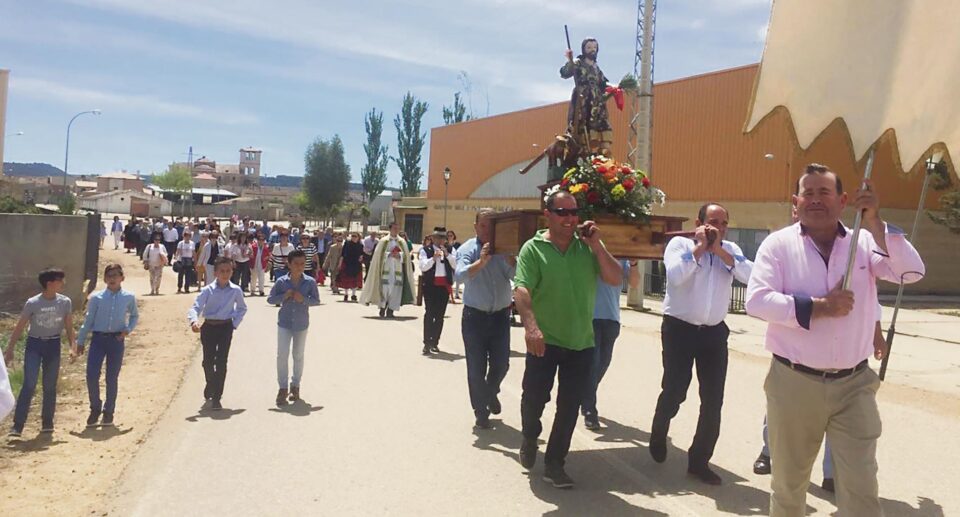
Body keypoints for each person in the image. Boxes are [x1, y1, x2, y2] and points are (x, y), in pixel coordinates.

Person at [745, 164, 924, 516]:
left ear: (843, 200)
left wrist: (875, 222)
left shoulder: (866, 242)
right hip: (794, 383)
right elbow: (757, 301)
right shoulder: (778, 245)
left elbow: (910, 272)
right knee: (789, 488)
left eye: (824, 192)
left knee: (861, 488)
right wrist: (819, 306)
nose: (815, 200)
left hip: (854, 385)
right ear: (795, 202)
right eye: (807, 193)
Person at [513, 191, 622, 488]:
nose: (570, 218)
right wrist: (531, 327)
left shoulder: (587, 249)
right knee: (534, 399)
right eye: (562, 212)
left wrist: (597, 246)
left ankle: (555, 464)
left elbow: (615, 278)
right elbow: (521, 290)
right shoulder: (533, 249)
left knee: (569, 405)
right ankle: (530, 435)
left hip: (581, 343)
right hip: (543, 341)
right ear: (547, 214)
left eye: (574, 212)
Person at [648, 203, 753, 485]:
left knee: (713, 398)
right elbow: (675, 277)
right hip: (679, 330)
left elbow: (751, 277)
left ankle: (699, 460)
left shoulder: (729, 250)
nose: (718, 228)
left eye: (723, 223)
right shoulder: (679, 244)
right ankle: (659, 428)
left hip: (714, 334)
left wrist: (718, 250)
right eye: (712, 222)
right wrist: (699, 248)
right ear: (699, 222)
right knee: (675, 389)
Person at [454, 209, 516, 430]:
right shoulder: (468, 249)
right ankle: (481, 412)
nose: (487, 229)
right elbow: (459, 276)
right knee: (476, 367)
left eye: (492, 225)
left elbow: (516, 277)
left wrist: (513, 261)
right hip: (475, 317)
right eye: (483, 225)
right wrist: (481, 262)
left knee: (501, 364)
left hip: (500, 316)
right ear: (476, 227)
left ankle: (490, 393)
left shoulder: (505, 249)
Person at [4, 269, 75, 437]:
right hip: (34, 344)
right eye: (60, 280)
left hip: (53, 344)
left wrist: (73, 346)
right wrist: (10, 350)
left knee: (50, 386)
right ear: (49, 283)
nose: (63, 283)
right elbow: (20, 326)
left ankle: (47, 422)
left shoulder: (65, 302)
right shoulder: (33, 303)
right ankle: (18, 425)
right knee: (29, 384)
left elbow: (69, 326)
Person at [76, 263, 138, 428]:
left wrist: (127, 330)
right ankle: (95, 407)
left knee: (112, 377)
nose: (112, 278)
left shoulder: (128, 297)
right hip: (98, 340)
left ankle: (109, 411)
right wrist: (80, 341)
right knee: (91, 375)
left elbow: (134, 316)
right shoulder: (97, 298)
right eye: (109, 275)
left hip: (116, 340)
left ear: (122, 278)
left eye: (116, 275)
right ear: (104, 278)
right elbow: (88, 320)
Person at [187, 256, 248, 410]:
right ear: (215, 273)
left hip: (225, 327)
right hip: (209, 328)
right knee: (208, 361)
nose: (225, 274)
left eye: (228, 271)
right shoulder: (208, 290)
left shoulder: (235, 290)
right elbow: (196, 307)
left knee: (221, 362)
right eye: (222, 271)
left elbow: (242, 308)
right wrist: (194, 321)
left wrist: (234, 324)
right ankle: (210, 383)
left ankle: (216, 396)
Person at [581, 261, 633, 431]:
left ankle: (584, 394)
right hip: (590, 316)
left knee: (603, 363)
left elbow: (635, 282)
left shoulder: (622, 256)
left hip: (612, 318)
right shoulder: (590, 250)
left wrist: (634, 264)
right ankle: (590, 410)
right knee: (593, 364)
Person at [267, 250, 320, 406]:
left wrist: (303, 299)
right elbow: (270, 299)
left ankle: (295, 385)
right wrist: (284, 296)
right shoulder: (281, 282)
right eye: (296, 264)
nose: (299, 267)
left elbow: (316, 301)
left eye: (302, 264)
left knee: (298, 355)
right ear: (289, 264)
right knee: (282, 355)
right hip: (284, 322)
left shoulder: (309, 282)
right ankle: (282, 388)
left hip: (301, 323)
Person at [561, 38, 612, 155]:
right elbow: (565, 73)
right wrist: (570, 60)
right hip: (583, 100)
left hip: (597, 104)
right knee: (582, 127)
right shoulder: (578, 63)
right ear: (584, 50)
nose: (592, 50)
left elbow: (603, 85)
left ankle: (602, 157)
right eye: (589, 47)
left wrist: (615, 89)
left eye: (594, 47)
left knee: (601, 128)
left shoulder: (596, 68)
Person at [359, 223, 415, 319]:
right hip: (385, 270)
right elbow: (378, 255)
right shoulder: (383, 241)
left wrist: (400, 255)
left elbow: (406, 256)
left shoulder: (402, 242)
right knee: (385, 289)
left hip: (398, 271)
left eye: (397, 228)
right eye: (394, 228)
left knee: (395, 290)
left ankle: (391, 310)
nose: (396, 230)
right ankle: (383, 307)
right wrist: (389, 254)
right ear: (390, 229)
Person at [419, 227, 457, 355]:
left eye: (442, 238)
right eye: (438, 238)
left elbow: (456, 265)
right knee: (429, 313)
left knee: (440, 316)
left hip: (444, 287)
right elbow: (423, 267)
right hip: (430, 286)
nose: (440, 240)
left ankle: (435, 342)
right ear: (433, 238)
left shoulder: (451, 250)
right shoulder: (425, 250)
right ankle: (426, 343)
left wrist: (447, 255)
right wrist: (433, 258)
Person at [337, 232, 364, 302]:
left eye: (355, 236)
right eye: (353, 236)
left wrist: (361, 258)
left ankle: (353, 295)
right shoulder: (347, 244)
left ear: (358, 238)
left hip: (356, 265)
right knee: (346, 280)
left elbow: (361, 255)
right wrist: (340, 263)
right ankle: (346, 294)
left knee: (355, 280)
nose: (354, 237)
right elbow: (342, 254)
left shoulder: (360, 245)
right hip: (347, 264)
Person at [142, 231, 168, 295]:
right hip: (151, 265)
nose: (157, 241)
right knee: (152, 278)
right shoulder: (149, 246)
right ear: (154, 240)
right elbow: (145, 254)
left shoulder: (162, 246)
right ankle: (152, 289)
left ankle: (157, 289)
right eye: (156, 240)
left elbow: (165, 254)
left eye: (158, 240)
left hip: (159, 265)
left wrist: (164, 259)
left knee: (158, 277)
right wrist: (145, 261)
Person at [251, 232, 270, 296]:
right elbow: (250, 254)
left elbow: (268, 255)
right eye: (260, 240)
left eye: (262, 240)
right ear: (257, 240)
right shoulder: (253, 246)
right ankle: (253, 290)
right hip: (254, 264)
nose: (261, 241)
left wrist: (266, 259)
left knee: (261, 278)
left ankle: (261, 290)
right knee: (254, 278)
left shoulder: (265, 248)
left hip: (262, 265)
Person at [447, 230, 463, 300]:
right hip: (447, 264)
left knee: (457, 279)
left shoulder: (457, 245)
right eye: (448, 236)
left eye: (451, 235)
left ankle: (456, 294)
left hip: (456, 264)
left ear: (454, 236)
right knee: (450, 280)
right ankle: (448, 294)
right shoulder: (445, 245)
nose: (450, 237)